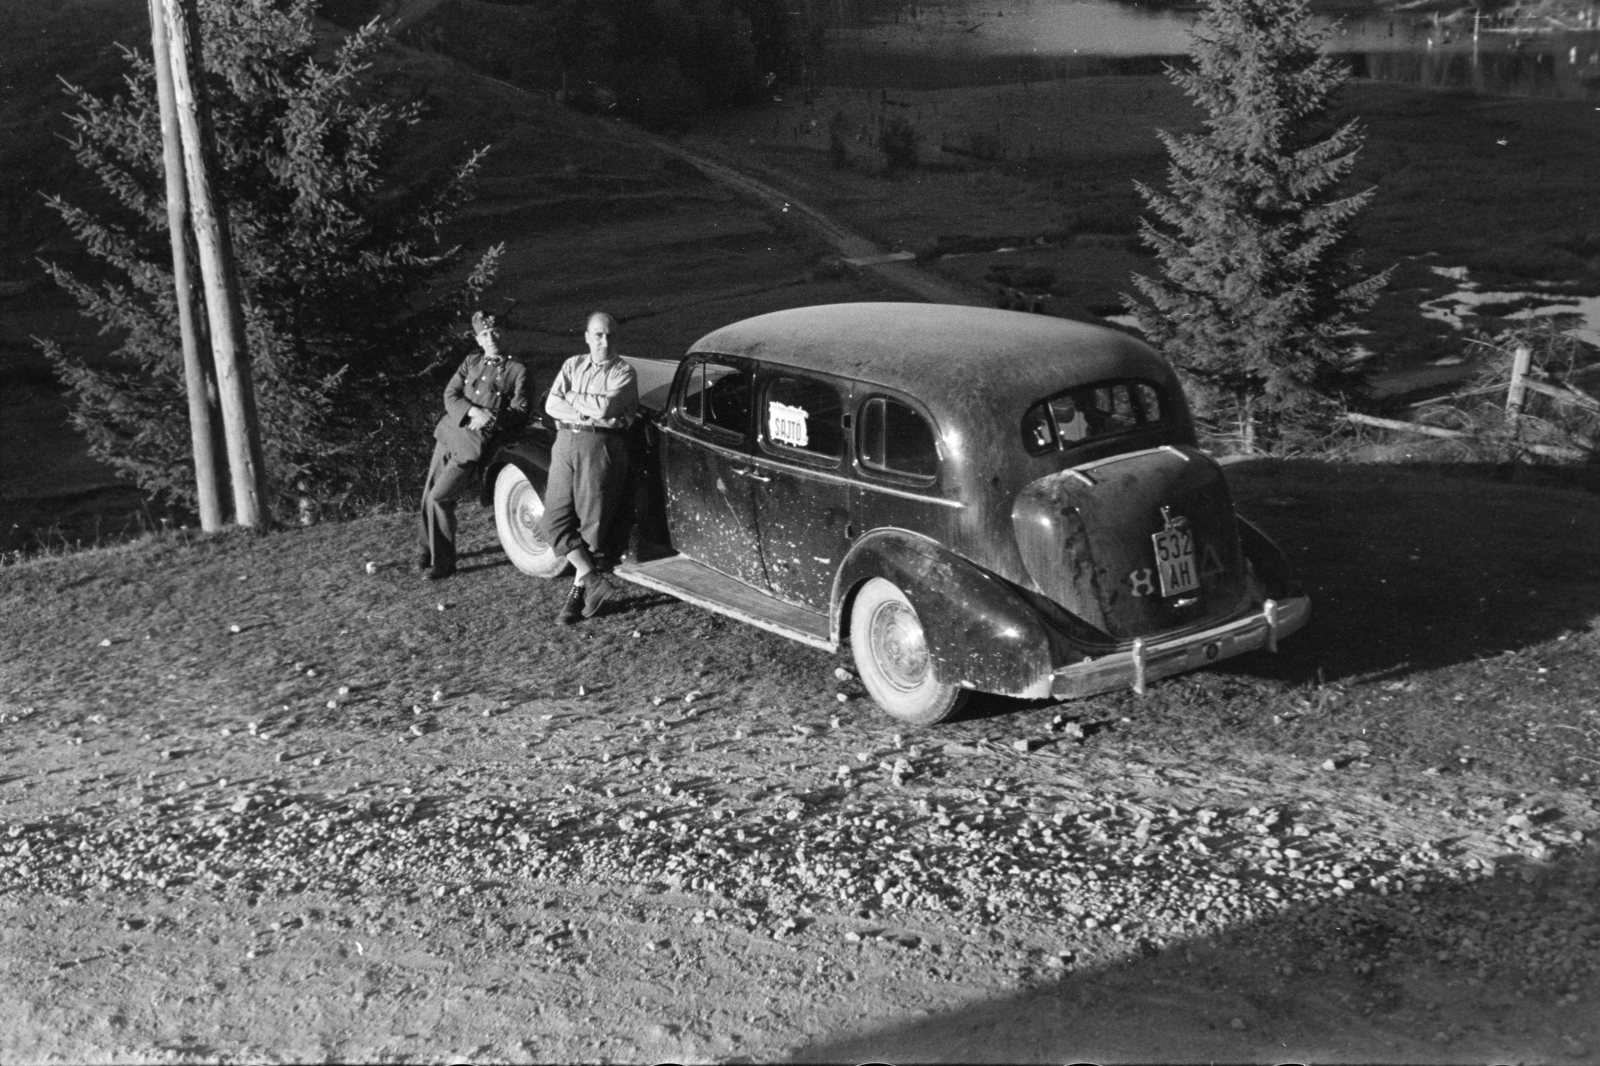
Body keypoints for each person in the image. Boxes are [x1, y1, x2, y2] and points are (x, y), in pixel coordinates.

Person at [542, 311, 638, 625]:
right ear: (587, 336)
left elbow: (607, 409)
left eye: (610, 335)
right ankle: (592, 578)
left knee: (591, 525)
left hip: (601, 446)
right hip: (565, 443)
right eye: (598, 335)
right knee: (553, 520)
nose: (604, 342)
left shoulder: (624, 372)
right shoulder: (571, 365)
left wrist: (572, 398)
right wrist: (588, 408)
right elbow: (550, 405)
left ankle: (579, 594)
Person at [417, 310, 529, 580]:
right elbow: (450, 394)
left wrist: (491, 418)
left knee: (440, 497)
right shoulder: (472, 361)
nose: (491, 338)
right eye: (485, 334)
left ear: (503, 333)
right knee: (428, 493)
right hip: (448, 433)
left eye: (495, 332)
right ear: (478, 340)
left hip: (472, 447)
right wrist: (472, 412)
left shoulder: (517, 371)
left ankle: (444, 563)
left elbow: (522, 411)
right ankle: (426, 548)